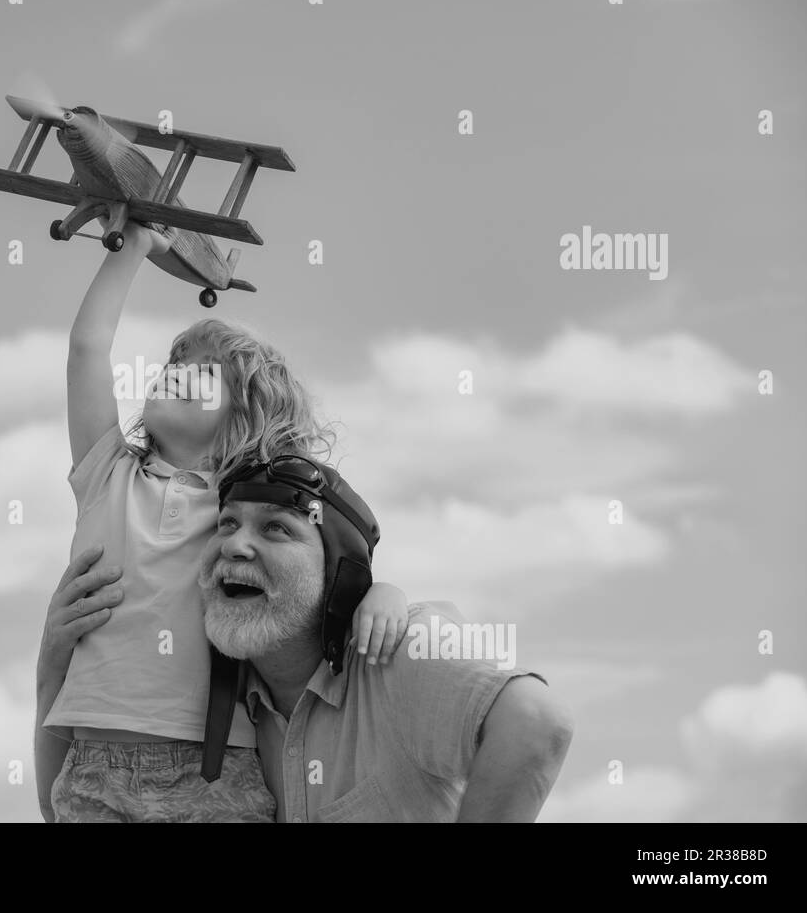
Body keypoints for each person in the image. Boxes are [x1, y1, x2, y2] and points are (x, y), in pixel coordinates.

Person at [34, 222, 410, 822]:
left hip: (215, 771)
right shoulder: (107, 475)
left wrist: (384, 595)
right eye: (173, 361)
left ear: (248, 414)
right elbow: (86, 349)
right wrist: (132, 249)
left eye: (205, 370)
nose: (177, 369)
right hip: (93, 765)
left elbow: (338, 556)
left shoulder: (241, 511)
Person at [198, 455, 575, 821]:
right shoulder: (212, 691)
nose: (233, 546)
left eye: (276, 528)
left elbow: (536, 721)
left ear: (338, 573)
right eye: (228, 523)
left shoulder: (400, 649)